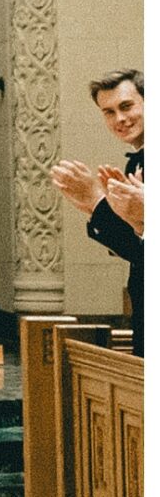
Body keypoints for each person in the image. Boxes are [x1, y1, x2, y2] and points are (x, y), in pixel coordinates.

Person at [52, 70, 144, 355]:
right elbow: (136, 245)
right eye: (108, 112)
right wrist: (95, 207)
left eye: (126, 106)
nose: (119, 119)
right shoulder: (139, 160)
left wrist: (96, 201)